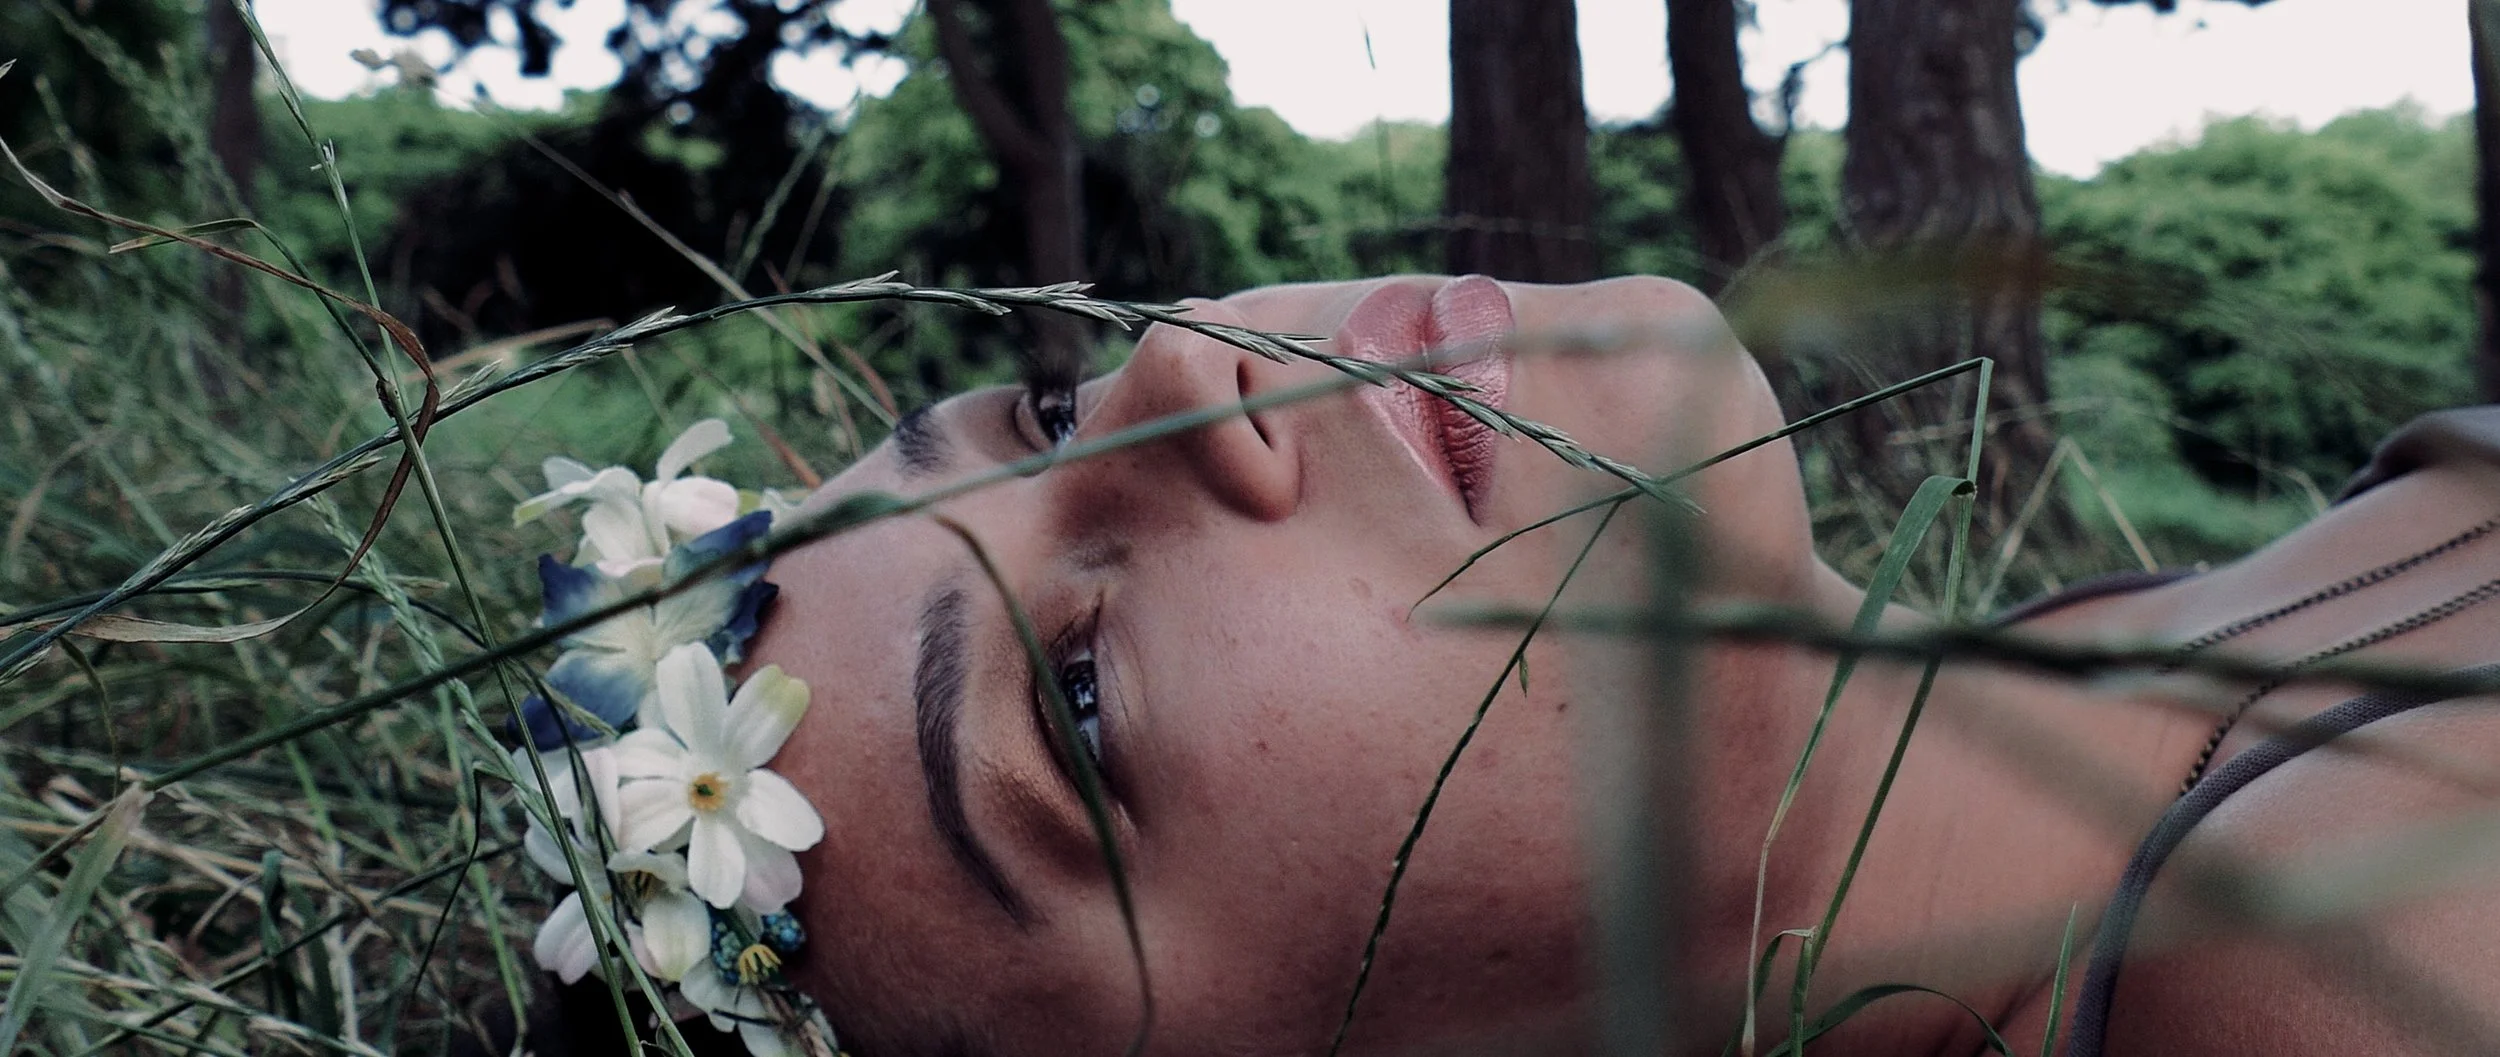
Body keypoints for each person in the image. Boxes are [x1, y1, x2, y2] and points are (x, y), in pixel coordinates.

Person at [725, 274, 2500, 1057]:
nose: (1185, 370)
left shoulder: (2072, 664)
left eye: (1045, 417)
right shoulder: (2358, 981)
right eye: (1074, 694)